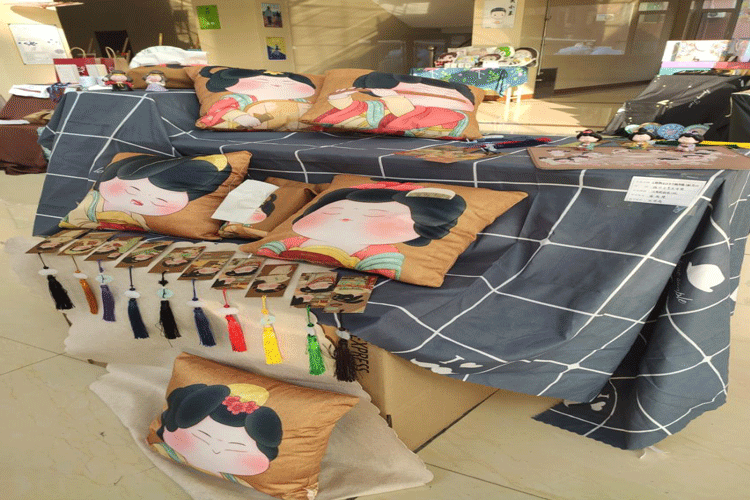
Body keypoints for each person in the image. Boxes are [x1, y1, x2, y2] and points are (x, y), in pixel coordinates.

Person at [255, 181, 467, 280]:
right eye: (332, 211)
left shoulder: (384, 256)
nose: (345, 217)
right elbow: (273, 247)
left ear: (421, 229)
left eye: (374, 215)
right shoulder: (290, 243)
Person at [60, 154, 231, 231]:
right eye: (133, 189)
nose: (141, 199)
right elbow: (79, 220)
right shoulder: (93, 203)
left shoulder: (139, 219)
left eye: (159, 201)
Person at [153, 383, 282, 481]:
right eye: (203, 436)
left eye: (236, 447)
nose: (216, 449)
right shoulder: (161, 450)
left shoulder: (235, 479)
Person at [313, 72, 476, 139]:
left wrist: (393, 98)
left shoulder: (453, 113)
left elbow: (409, 117)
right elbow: (360, 109)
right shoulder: (381, 104)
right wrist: (340, 100)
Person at [197, 67, 317, 130]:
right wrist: (240, 117)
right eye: (263, 80)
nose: (276, 85)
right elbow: (221, 109)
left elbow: (313, 111)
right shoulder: (240, 99)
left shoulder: (298, 101)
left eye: (288, 83)